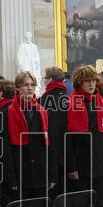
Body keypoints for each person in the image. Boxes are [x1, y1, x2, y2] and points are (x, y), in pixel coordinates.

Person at [64, 65, 103, 205]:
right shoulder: (70, 104)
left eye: (94, 80)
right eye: (88, 80)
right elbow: (67, 140)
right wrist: (71, 166)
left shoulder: (102, 103)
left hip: (100, 164)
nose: (92, 84)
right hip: (80, 165)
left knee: (100, 204)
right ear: (79, 82)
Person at [1, 71, 55, 204]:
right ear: (18, 88)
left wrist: (52, 175)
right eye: (26, 85)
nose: (30, 88)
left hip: (40, 175)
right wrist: (11, 179)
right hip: (20, 175)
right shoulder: (7, 114)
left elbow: (50, 146)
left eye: (32, 85)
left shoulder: (42, 112)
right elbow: (5, 150)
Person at [41, 66, 69, 198]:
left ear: (50, 80)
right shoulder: (70, 100)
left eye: (45, 79)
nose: (44, 81)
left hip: (49, 153)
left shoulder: (41, 101)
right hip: (69, 154)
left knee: (51, 198)